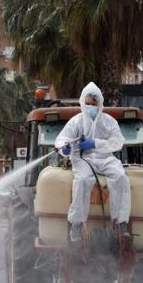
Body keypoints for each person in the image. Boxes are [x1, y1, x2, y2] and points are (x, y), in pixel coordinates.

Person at [55, 82, 131, 242]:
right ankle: (76, 224)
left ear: (100, 104)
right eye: (87, 103)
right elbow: (62, 139)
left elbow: (117, 141)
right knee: (82, 180)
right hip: (83, 158)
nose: (90, 106)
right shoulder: (76, 121)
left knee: (120, 177)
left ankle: (121, 222)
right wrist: (65, 148)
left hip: (105, 157)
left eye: (93, 104)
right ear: (83, 103)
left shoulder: (108, 121)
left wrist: (96, 143)